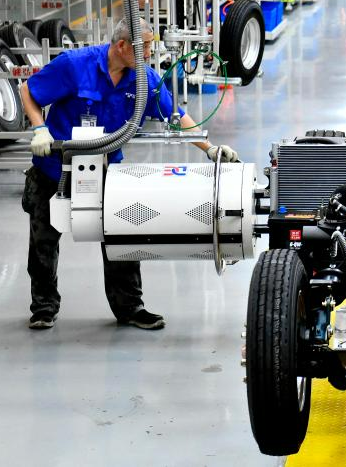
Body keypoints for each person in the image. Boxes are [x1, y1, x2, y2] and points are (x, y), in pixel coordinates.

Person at [19, 18, 239, 331]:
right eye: (145, 47)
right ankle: (43, 307)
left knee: (121, 235)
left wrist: (209, 148)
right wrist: (39, 129)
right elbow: (28, 90)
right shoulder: (74, 65)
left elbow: (175, 116)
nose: (149, 53)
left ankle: (129, 307)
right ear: (122, 46)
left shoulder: (144, 79)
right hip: (56, 167)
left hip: (107, 167)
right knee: (43, 241)